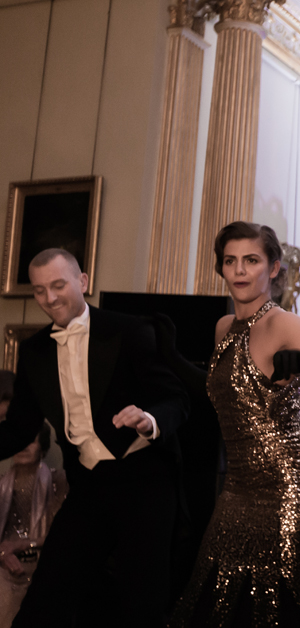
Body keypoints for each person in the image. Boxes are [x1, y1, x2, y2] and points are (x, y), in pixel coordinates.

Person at [167, 221, 300, 628]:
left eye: (251, 260)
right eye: (230, 261)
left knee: (278, 608)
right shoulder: (223, 327)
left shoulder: (286, 325)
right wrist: (171, 357)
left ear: (273, 268)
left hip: (291, 488)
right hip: (238, 489)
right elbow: (222, 395)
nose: (239, 270)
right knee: (210, 601)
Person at [0, 248, 189, 628]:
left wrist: (149, 419)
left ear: (82, 281)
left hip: (144, 482)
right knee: (43, 602)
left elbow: (176, 399)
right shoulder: (35, 350)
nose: (49, 298)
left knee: (142, 607)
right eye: (39, 290)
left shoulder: (129, 330)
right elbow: (19, 426)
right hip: (87, 485)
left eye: (58, 285)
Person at [0, 423, 67, 628]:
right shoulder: (1, 484)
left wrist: (22, 545)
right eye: (19, 440)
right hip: (4, 568)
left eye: (30, 440)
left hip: (43, 565)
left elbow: (62, 535)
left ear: (42, 448)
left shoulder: (57, 480)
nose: (23, 446)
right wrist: (3, 553)